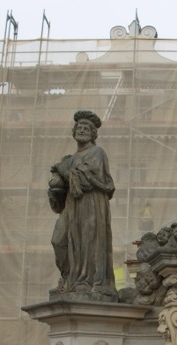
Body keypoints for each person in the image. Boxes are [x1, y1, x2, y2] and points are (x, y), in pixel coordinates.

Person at [48, 111, 117, 298]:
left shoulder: (97, 153)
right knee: (58, 240)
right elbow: (61, 189)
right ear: (74, 131)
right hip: (72, 205)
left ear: (93, 134)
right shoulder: (69, 159)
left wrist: (63, 170)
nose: (82, 130)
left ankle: (85, 281)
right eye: (79, 127)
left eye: (87, 128)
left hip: (91, 204)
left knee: (88, 242)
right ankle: (69, 277)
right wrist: (55, 187)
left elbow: (88, 177)